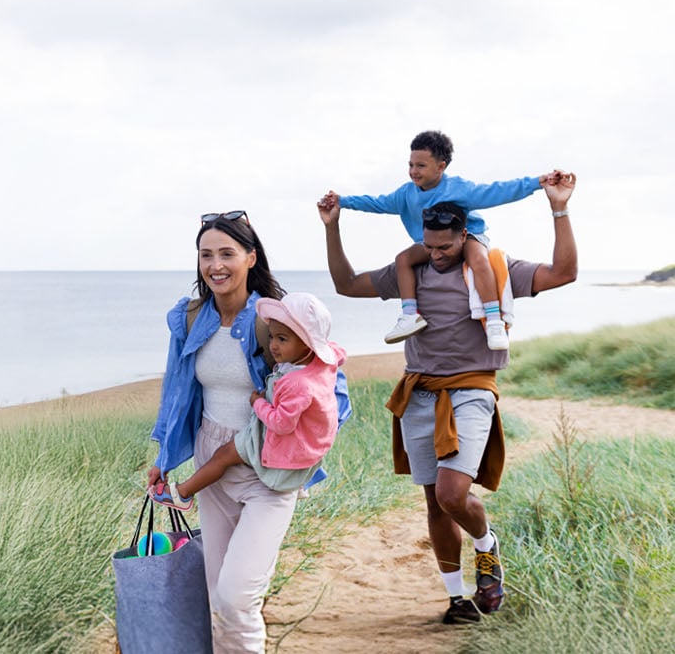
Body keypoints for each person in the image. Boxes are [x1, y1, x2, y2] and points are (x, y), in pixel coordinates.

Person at [317, 171, 579, 625]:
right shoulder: (411, 272)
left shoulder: (494, 267)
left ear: (464, 236)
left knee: (453, 494)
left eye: (445, 247)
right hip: (419, 393)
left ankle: (486, 543)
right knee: (435, 503)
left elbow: (564, 273)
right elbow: (347, 284)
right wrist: (332, 227)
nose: (436, 255)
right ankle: (457, 598)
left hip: (472, 390)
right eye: (430, 246)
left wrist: (559, 208)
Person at [145, 211, 351, 653]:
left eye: (227, 254)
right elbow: (175, 389)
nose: (215, 265)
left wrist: (301, 445)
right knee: (218, 595)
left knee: (237, 596)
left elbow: (332, 391)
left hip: (268, 469)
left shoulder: (273, 319)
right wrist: (163, 458)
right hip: (211, 461)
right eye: (206, 255)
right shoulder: (190, 318)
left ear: (250, 257)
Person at [337, 130, 553, 350]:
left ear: (441, 166)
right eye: (411, 165)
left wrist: (537, 182)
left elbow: (498, 191)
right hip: (430, 242)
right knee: (403, 259)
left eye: (421, 166)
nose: (413, 171)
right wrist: (342, 201)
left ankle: (493, 319)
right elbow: (376, 203)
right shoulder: (405, 194)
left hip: (469, 234)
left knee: (478, 259)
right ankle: (410, 315)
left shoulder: (458, 188)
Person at [152, 292, 346, 510]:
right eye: (271, 337)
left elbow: (282, 423)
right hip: (301, 445)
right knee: (223, 457)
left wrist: (257, 404)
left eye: (282, 339)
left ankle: (183, 493)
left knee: (223, 456)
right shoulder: (318, 366)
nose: (273, 346)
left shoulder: (299, 383)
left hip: (273, 438)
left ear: (308, 343)